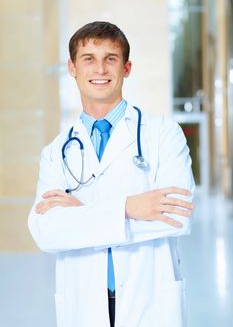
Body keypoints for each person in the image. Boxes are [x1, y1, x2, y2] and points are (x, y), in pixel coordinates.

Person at [28, 21, 195, 327]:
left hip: (151, 299)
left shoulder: (163, 134)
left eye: (111, 59)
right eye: (88, 58)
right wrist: (130, 208)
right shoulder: (56, 152)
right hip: (83, 302)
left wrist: (82, 214)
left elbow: (177, 216)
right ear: (72, 68)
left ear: (127, 68)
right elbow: (46, 231)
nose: (100, 69)